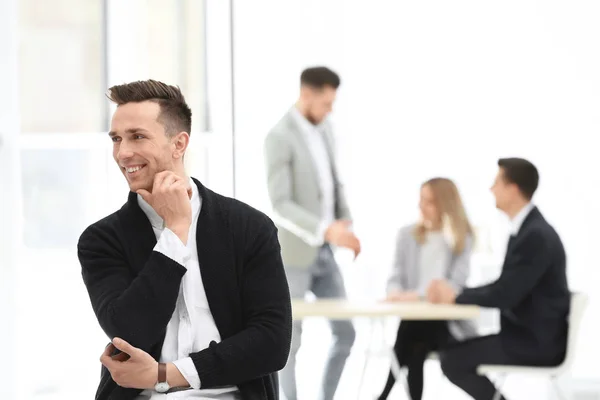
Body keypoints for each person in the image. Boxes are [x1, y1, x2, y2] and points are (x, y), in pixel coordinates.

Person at [78, 80, 292, 400]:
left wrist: (166, 375)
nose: (123, 153)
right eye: (116, 139)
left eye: (137, 136)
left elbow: (272, 343)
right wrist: (175, 233)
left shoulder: (250, 228)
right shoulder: (102, 239)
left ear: (179, 144)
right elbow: (129, 332)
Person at [427, 158, 570, 400]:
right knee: (452, 351)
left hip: (535, 342)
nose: (491, 189)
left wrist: (457, 296)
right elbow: (504, 286)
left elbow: (506, 294)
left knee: (453, 359)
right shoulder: (527, 230)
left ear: (513, 189)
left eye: (496, 183)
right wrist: (459, 295)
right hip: (529, 337)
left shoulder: (535, 235)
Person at [263, 66, 360, 400]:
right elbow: (281, 204)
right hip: (293, 254)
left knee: (345, 332)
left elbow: (333, 183)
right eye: (326, 103)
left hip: (326, 252)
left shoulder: (326, 129)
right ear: (306, 95)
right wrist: (325, 230)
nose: (330, 110)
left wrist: (345, 224)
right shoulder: (279, 137)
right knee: (289, 339)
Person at [377, 177, 477, 400]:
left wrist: (416, 295)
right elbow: (395, 276)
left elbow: (456, 284)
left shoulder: (462, 237)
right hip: (413, 314)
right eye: (421, 200)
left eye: (429, 201)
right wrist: (395, 293)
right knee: (415, 343)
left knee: (413, 338)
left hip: (443, 320)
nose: (421, 206)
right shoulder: (407, 234)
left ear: (445, 204)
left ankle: (383, 394)